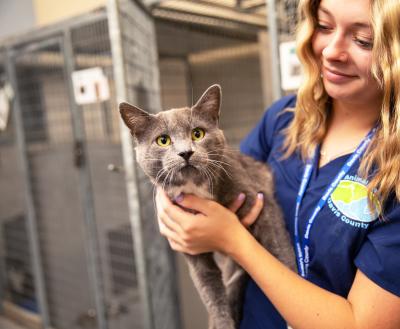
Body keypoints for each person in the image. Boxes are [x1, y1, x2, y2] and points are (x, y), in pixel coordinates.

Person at [156, 0, 400, 327]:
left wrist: (234, 241)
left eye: (363, 40)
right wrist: (168, 200)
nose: (331, 51)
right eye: (324, 27)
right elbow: (218, 183)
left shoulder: (393, 171)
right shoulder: (284, 119)